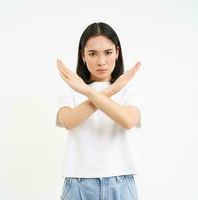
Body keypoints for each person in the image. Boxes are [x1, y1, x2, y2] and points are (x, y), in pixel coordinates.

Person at [55, 22, 142, 200]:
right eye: (92, 54)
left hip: (121, 183)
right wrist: (103, 91)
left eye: (108, 53)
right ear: (83, 55)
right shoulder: (72, 89)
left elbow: (128, 121)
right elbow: (69, 121)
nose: (101, 61)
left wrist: (89, 91)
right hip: (78, 185)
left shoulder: (127, 89)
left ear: (117, 52)